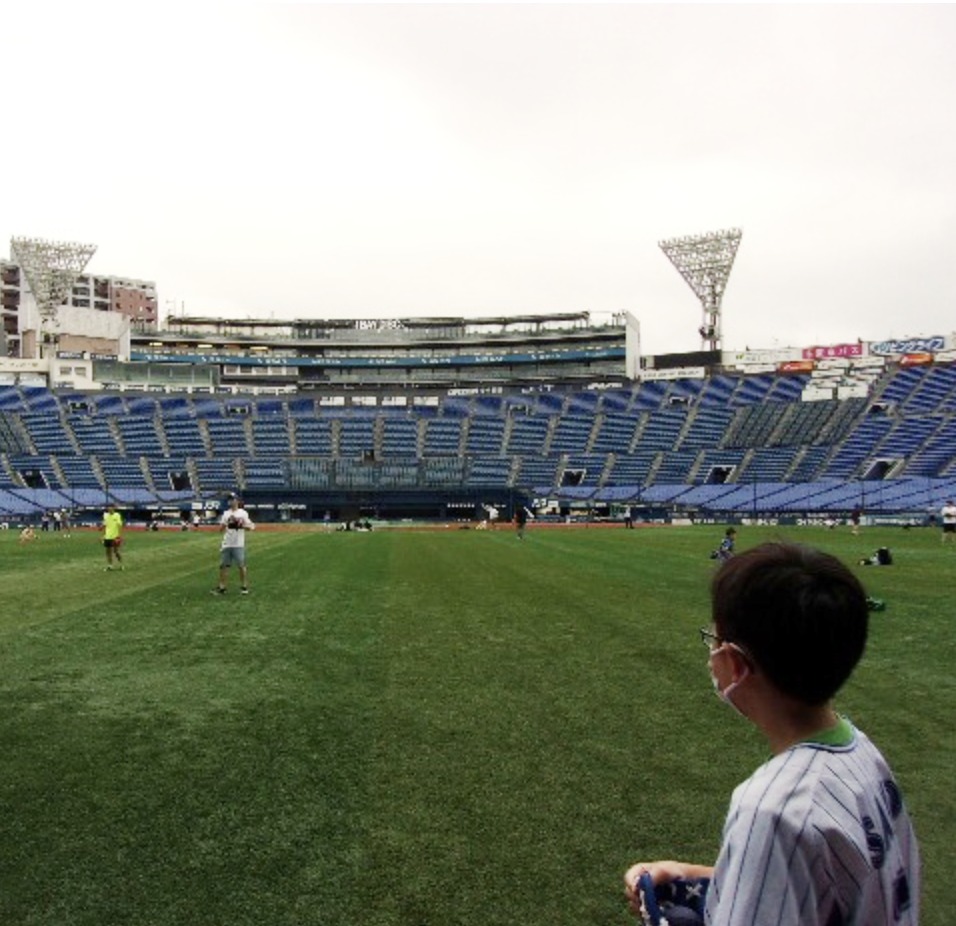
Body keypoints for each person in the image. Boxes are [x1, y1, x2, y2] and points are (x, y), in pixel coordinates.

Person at [624, 542, 920, 925]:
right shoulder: (861, 751)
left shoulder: (776, 808)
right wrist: (690, 874)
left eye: (714, 640)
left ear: (734, 663)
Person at [213, 496, 254, 595]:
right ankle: (222, 587)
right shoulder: (226, 513)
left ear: (237, 501)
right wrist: (225, 525)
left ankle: (244, 586)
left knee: (241, 566)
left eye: (233, 499)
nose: (231, 501)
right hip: (227, 543)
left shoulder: (243, 513)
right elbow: (221, 529)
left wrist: (240, 525)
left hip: (238, 544)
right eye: (230, 500)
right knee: (224, 566)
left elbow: (251, 527)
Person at [102, 503, 124, 570]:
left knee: (116, 552)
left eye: (111, 507)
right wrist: (103, 535)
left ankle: (121, 564)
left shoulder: (117, 515)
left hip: (115, 537)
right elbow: (105, 525)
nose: (109, 509)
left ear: (114, 508)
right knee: (108, 552)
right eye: (108, 507)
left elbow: (119, 525)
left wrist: (119, 536)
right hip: (107, 537)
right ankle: (110, 565)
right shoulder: (105, 515)